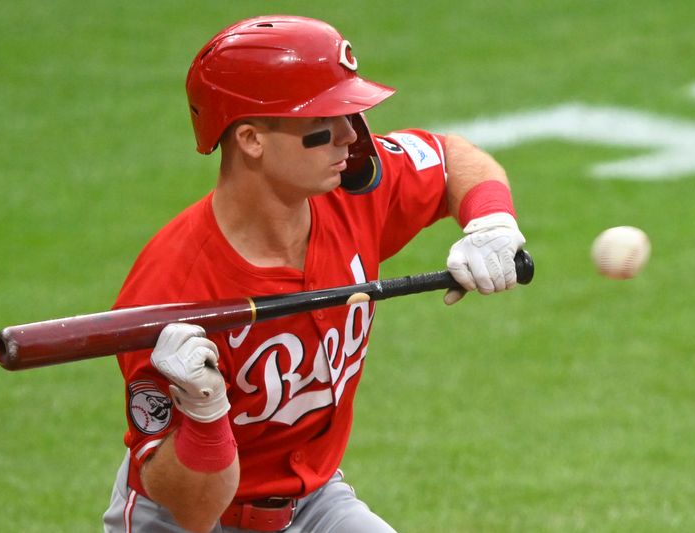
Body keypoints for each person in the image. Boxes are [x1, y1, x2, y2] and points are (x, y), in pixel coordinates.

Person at [103, 14, 526, 533]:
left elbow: (450, 159)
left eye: (350, 114)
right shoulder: (170, 290)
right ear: (252, 140)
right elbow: (192, 510)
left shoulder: (351, 194)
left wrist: (491, 220)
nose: (350, 135)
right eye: (322, 122)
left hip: (314, 505)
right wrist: (205, 410)